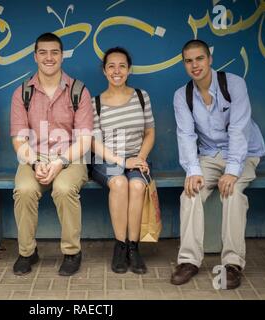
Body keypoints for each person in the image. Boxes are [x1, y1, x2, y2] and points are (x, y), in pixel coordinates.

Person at [170, 39, 265, 289]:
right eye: (189, 61)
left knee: (232, 193)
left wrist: (232, 171)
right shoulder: (183, 95)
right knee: (190, 193)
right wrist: (192, 170)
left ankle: (232, 265)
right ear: (184, 64)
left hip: (244, 153)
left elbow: (239, 129)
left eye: (199, 58)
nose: (195, 65)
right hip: (210, 155)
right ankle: (189, 261)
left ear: (210, 59)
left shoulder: (233, 84)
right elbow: (186, 135)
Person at [10, 33, 93, 276]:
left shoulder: (78, 90)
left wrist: (59, 162)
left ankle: (71, 252)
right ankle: (27, 252)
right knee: (24, 190)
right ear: (35, 56)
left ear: (62, 55)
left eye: (54, 52)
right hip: (33, 157)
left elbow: (85, 139)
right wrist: (36, 163)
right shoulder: (22, 93)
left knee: (64, 189)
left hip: (71, 156)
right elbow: (19, 139)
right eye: (43, 52)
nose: (49, 57)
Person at [91, 47, 155, 274]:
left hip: (137, 159)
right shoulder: (95, 103)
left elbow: (149, 133)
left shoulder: (141, 96)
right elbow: (94, 144)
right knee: (119, 182)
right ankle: (119, 246)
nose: (116, 71)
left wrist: (140, 158)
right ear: (104, 70)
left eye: (122, 66)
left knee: (137, 185)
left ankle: (133, 248)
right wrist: (121, 161)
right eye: (111, 66)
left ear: (129, 70)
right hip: (106, 160)